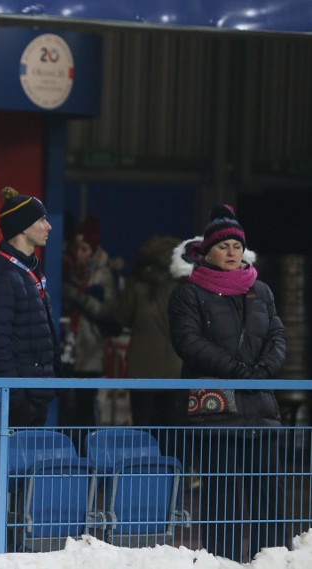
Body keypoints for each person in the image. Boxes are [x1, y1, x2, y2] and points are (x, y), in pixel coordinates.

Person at [168, 204, 287, 562]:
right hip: (216, 411)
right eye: (223, 246)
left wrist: (265, 369)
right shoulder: (189, 293)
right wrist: (238, 370)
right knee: (221, 500)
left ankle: (274, 559)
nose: (232, 252)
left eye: (237, 245)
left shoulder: (261, 290)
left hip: (260, 407)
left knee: (269, 498)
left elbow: (278, 335)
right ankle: (223, 561)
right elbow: (188, 342)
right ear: (205, 251)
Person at [0, 186, 58, 555]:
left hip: (30, 396)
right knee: (3, 481)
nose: (49, 226)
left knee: (24, 481)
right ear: (21, 228)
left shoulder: (27, 272)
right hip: (14, 401)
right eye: (41, 220)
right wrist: (15, 397)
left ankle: (18, 553)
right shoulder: (1, 275)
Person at [74, 235, 183, 435]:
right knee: (171, 433)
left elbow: (120, 317)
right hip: (175, 371)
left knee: (143, 434)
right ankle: (172, 466)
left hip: (141, 371)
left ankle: (145, 467)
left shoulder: (138, 287)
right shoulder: (182, 286)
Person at [60, 215, 117, 427]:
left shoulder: (102, 275)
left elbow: (108, 311)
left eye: (84, 249)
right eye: (76, 248)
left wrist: (79, 298)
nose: (79, 253)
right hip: (68, 348)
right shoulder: (66, 272)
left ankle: (86, 455)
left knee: (86, 407)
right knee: (67, 408)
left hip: (91, 349)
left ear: (93, 250)